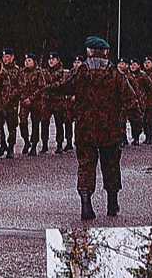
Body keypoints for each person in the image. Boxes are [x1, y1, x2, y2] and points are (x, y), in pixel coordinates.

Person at [52, 36, 138, 220]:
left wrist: (45, 91)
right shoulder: (115, 74)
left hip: (85, 129)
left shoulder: (80, 72)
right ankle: (112, 203)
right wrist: (136, 122)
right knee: (111, 165)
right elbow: (130, 99)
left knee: (86, 166)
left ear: (89, 52)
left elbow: (62, 87)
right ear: (105, 53)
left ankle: (86, 205)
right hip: (110, 129)